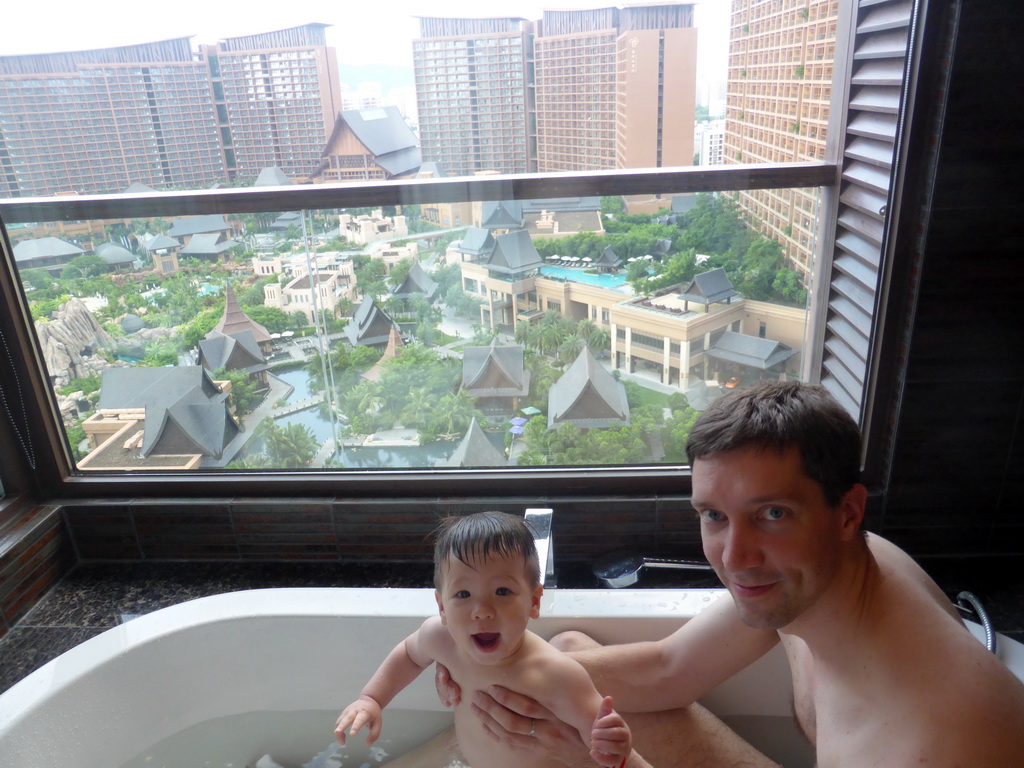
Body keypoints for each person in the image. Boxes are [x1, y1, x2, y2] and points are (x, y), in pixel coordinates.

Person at [436, 381, 1024, 767]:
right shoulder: (825, 580)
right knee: (563, 656)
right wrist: (482, 669)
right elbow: (670, 669)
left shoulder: (933, 743)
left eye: (772, 514)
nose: (736, 556)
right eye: (714, 516)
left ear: (846, 512)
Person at [334, 510, 632, 768]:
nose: (482, 611)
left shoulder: (554, 675)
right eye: (463, 594)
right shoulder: (440, 637)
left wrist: (612, 743)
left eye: (502, 592)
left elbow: (597, 733)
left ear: (534, 601)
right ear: (442, 607)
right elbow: (410, 654)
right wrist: (372, 699)